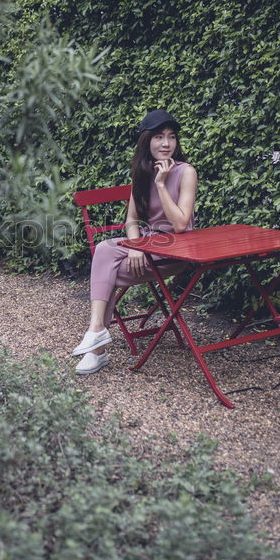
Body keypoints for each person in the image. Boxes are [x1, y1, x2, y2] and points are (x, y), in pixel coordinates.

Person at [72, 109, 197, 375]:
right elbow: (131, 221)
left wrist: (162, 184)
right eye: (159, 137)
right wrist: (137, 246)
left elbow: (181, 225)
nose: (166, 144)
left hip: (177, 253)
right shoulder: (141, 173)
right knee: (107, 258)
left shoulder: (186, 172)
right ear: (146, 141)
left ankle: (97, 346)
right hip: (150, 248)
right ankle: (97, 335)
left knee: (106, 263)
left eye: (171, 137)